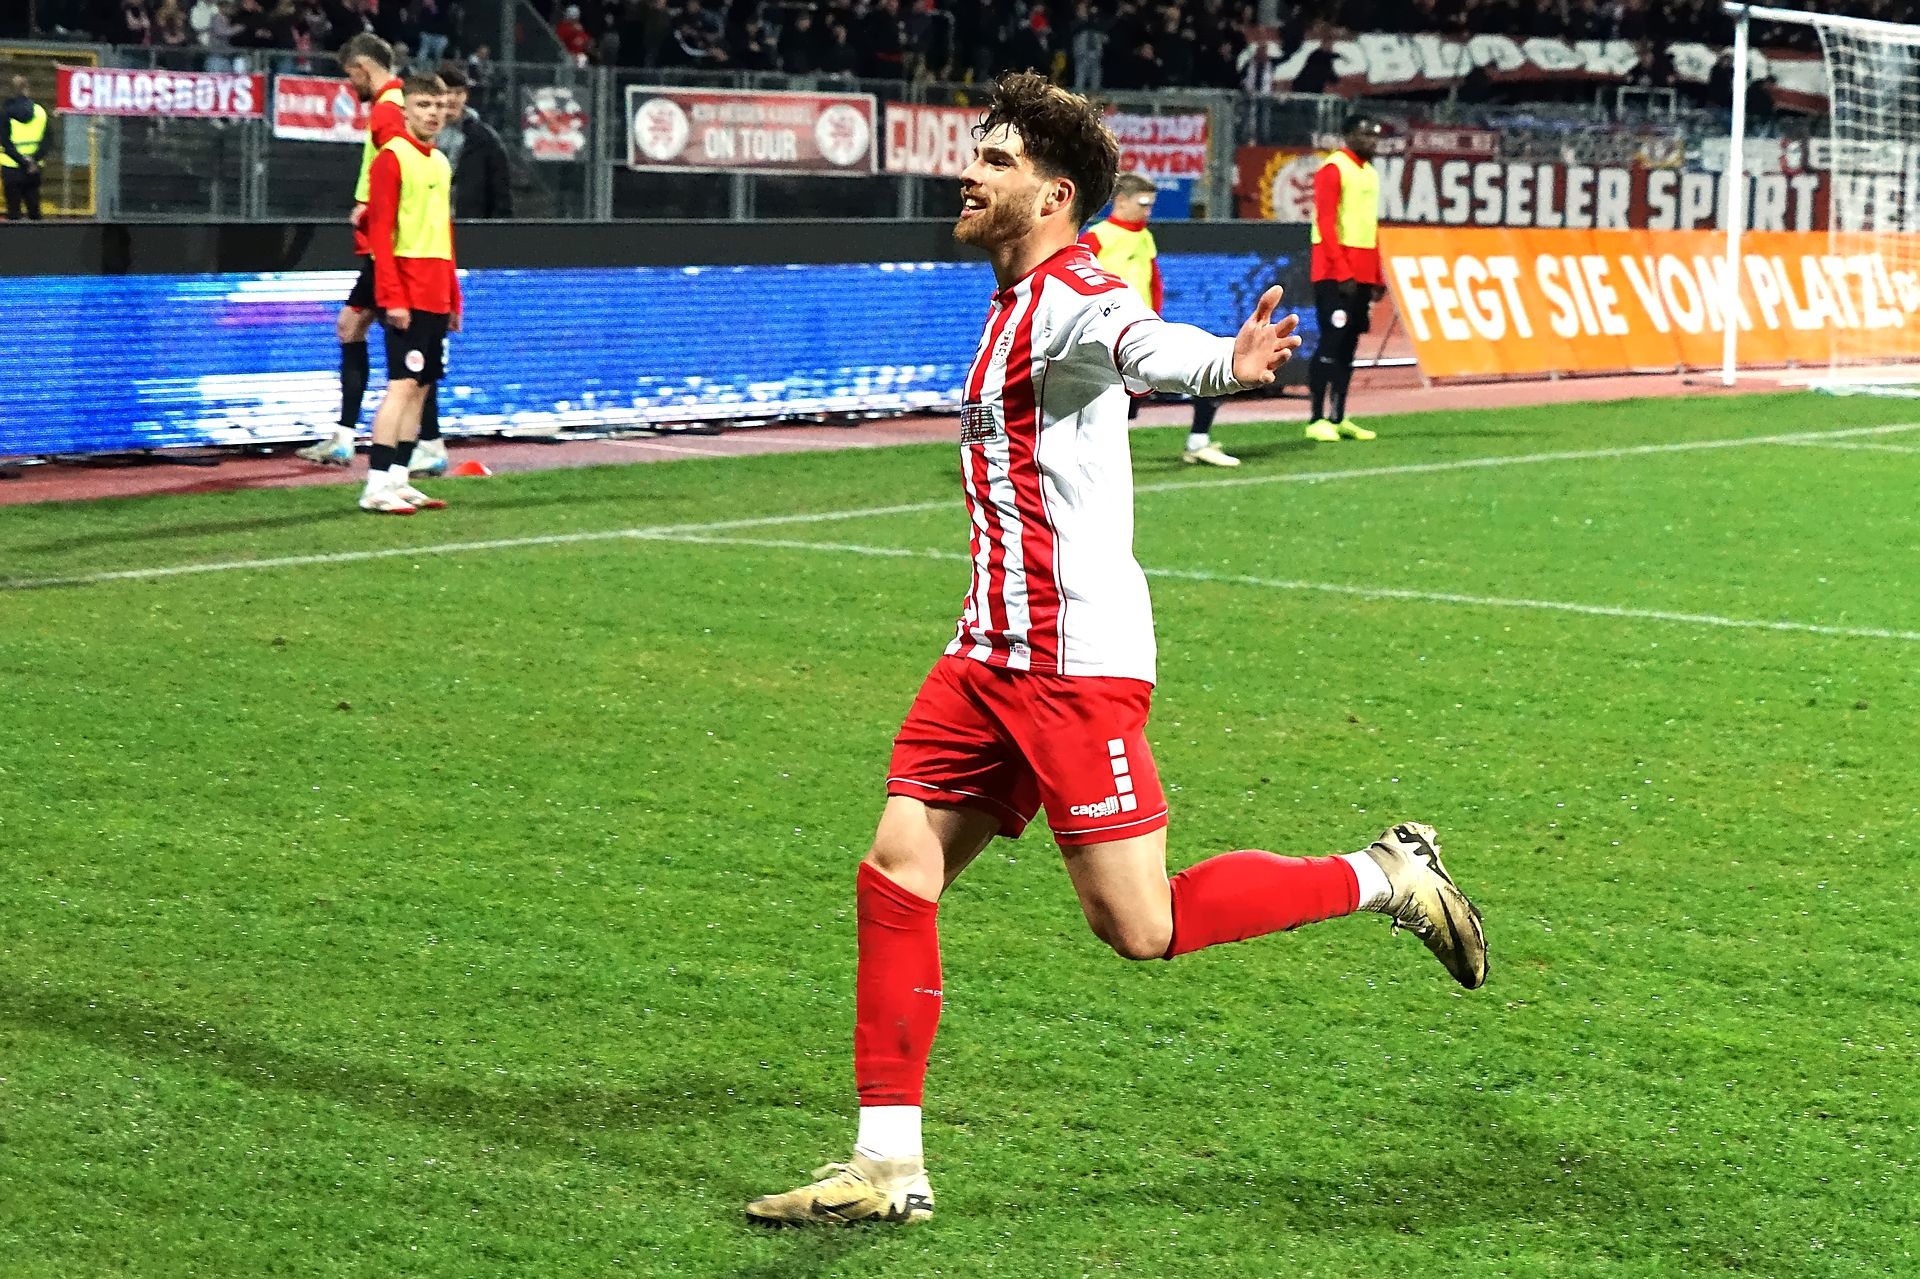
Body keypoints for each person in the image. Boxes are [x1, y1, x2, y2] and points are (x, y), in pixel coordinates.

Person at [744, 72, 1487, 1229]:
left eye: (995, 161)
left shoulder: (1074, 294)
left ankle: (1385, 873)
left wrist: (1227, 366)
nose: (969, 174)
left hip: (1072, 664)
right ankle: (886, 1162)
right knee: (897, 868)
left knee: (1142, 927)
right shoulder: (1009, 302)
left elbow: (1141, 340)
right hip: (985, 652)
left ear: (1052, 196)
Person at [297, 33, 406, 467]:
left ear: (362, 67)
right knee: (353, 327)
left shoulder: (388, 109)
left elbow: (399, 170)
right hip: (385, 240)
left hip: (388, 244)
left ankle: (408, 444)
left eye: (350, 75)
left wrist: (372, 207)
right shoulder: (394, 103)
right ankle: (349, 437)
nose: (350, 85)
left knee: (391, 340)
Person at [1080, 171, 1235, 468]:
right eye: (1143, 204)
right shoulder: (1097, 238)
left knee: (1206, 366)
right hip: (1110, 337)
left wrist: (1155, 319)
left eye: (1151, 204)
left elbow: (1154, 282)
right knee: (1112, 406)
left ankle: (1198, 441)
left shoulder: (1144, 236)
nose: (1148, 211)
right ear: (1121, 201)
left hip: (1143, 331)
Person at [359, 72, 459, 514]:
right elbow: (380, 234)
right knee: (401, 385)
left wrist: (453, 296)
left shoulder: (439, 161)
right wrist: (392, 297)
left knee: (421, 386)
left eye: (438, 106)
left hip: (436, 289)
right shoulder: (391, 157)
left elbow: (443, 233)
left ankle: (399, 479)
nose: (433, 114)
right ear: (405, 111)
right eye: (423, 105)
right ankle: (375, 484)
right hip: (407, 287)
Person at [1305, 114, 1385, 443]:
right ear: (1349, 135)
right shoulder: (1334, 168)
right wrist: (1342, 271)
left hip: (1361, 272)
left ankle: (1338, 417)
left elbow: (1369, 226)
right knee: (1331, 341)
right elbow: (1326, 223)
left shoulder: (1370, 173)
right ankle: (1316, 418)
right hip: (1335, 272)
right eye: (1365, 135)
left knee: (1349, 345)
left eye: (1375, 136)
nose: (1372, 141)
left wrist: (1376, 274)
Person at [1, 77, 48, 222]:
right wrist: (32, 160)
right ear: (28, 90)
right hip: (33, 168)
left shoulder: (4, 113)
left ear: (11, 91)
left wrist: (22, 161)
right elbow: (48, 141)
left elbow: (5, 142)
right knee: (34, 212)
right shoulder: (40, 112)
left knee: (13, 212)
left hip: (11, 167)